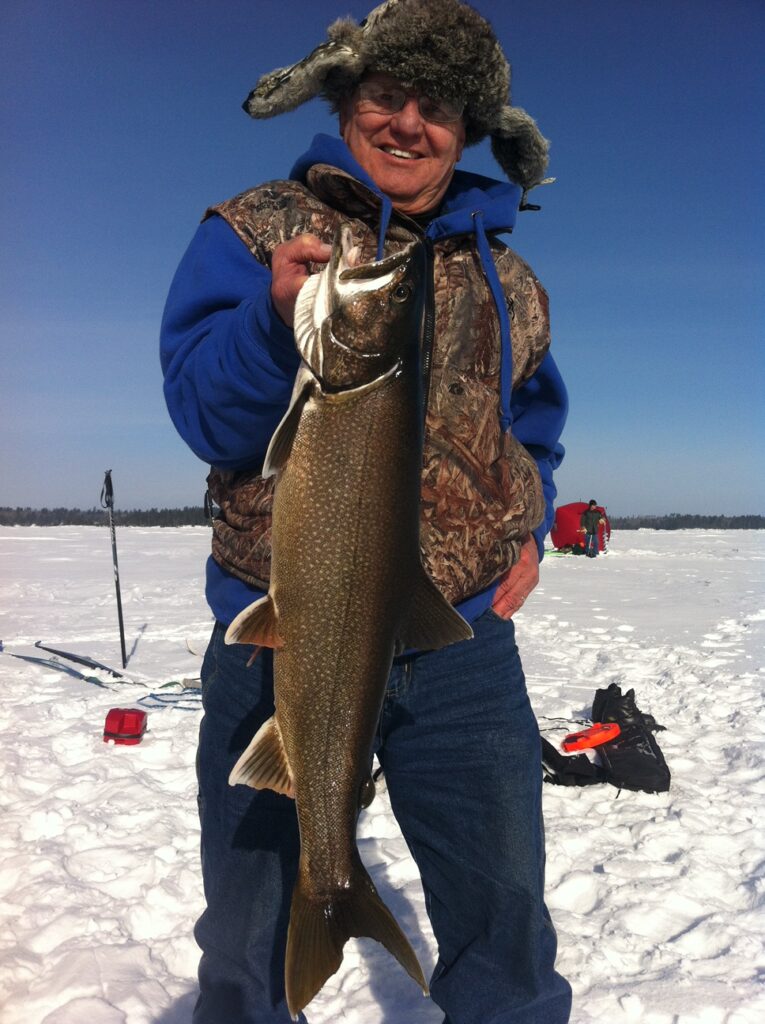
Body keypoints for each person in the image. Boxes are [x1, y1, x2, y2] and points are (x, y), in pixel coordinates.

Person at [160, 2, 571, 1021]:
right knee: (249, 939)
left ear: (467, 129)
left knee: (505, 926)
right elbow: (203, 410)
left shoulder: (506, 276)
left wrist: (535, 518)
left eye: (437, 106)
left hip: (461, 642)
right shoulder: (257, 229)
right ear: (346, 100)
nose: (407, 123)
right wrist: (272, 317)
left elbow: (537, 424)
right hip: (283, 629)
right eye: (387, 95)